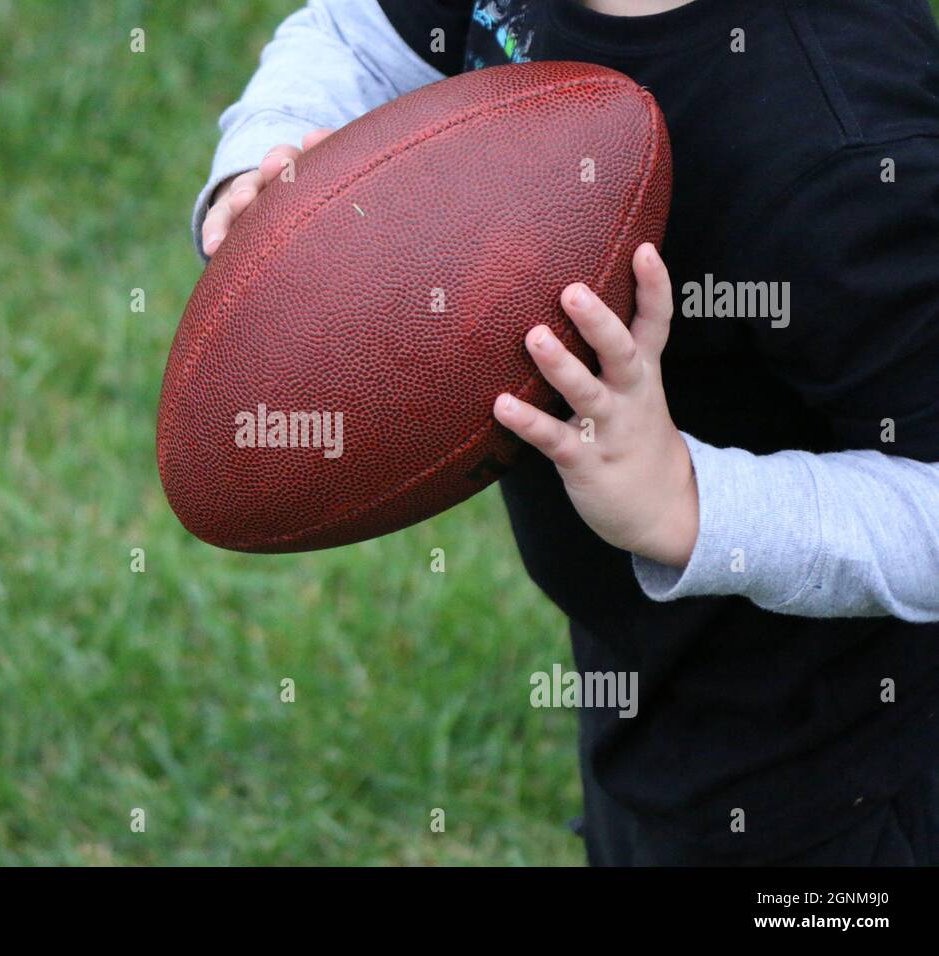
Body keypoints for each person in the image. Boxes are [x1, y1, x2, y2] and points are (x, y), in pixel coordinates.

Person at [191, 0, 939, 864]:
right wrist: (269, 159)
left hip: (834, 757)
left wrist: (691, 500)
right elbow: (354, 35)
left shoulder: (846, 146)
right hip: (643, 669)